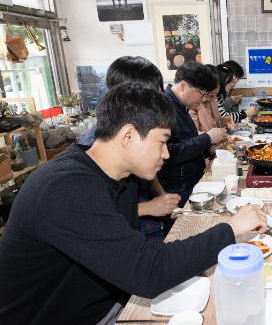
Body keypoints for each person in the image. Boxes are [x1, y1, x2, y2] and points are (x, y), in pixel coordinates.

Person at [0, 82, 268, 325]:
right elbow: (147, 272)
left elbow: (136, 258)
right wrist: (230, 228)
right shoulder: (65, 187)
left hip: (101, 310)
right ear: (128, 135)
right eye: (162, 142)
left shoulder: (120, 177)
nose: (166, 154)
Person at [77, 56, 178, 241]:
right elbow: (97, 215)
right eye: (150, 95)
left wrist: (165, 199)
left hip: (150, 226)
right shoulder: (95, 147)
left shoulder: (141, 138)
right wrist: (149, 208)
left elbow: (150, 177)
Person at [158, 62, 228, 207]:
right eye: (202, 94)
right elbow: (169, 153)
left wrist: (209, 149)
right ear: (183, 86)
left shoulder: (182, 105)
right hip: (178, 187)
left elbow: (187, 141)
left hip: (193, 178)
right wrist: (208, 138)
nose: (203, 100)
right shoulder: (164, 108)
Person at [78, 55, 164, 146]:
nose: (158, 105)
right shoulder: (95, 144)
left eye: (160, 96)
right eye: (151, 98)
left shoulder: (137, 130)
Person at [190, 65, 235, 133]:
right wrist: (210, 137)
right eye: (209, 86)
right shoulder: (193, 103)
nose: (213, 91)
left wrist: (226, 121)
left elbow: (218, 125)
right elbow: (193, 135)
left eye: (216, 86)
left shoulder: (213, 100)